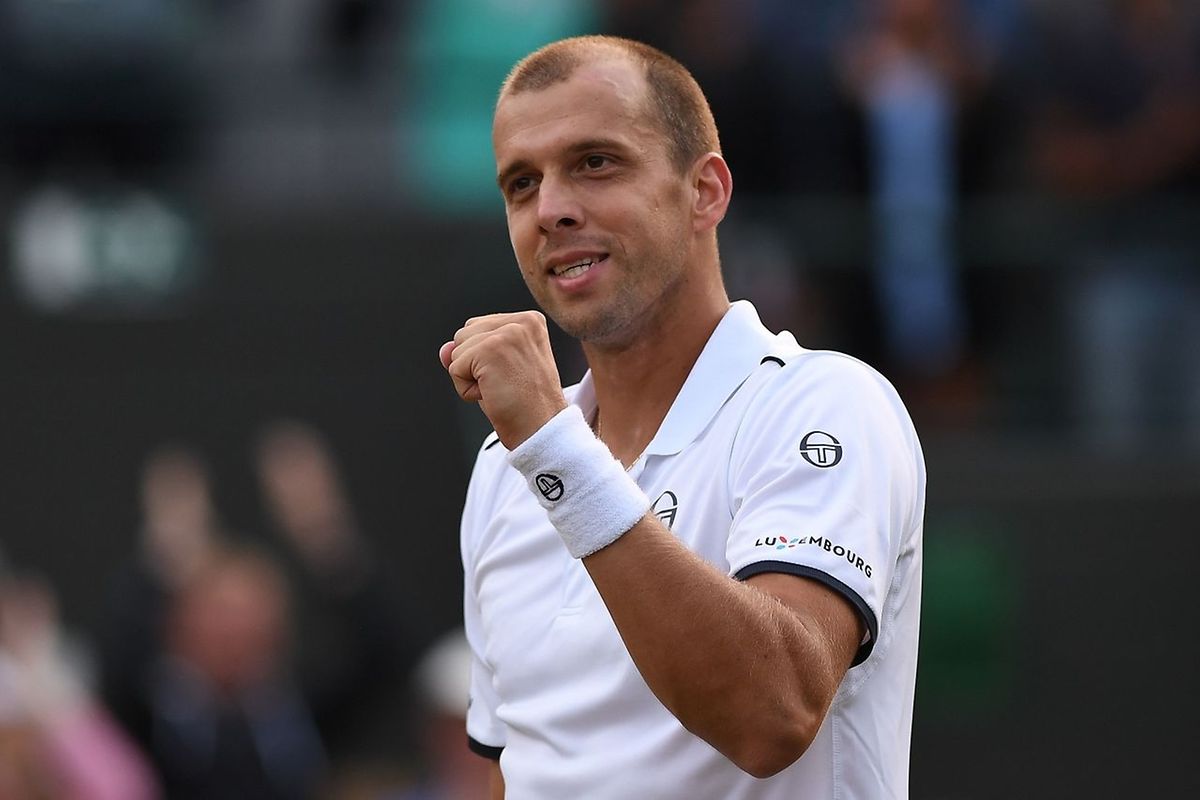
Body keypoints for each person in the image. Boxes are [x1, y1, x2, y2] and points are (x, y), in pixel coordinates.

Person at [439, 35, 924, 799]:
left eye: (595, 163)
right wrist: (546, 448)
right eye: (521, 184)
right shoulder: (506, 467)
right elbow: (515, 767)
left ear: (706, 192)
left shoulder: (826, 402)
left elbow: (772, 716)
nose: (551, 210)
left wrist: (554, 451)